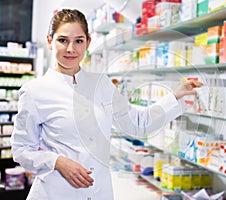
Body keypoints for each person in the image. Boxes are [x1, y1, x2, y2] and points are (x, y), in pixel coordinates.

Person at [10, 9, 202, 200]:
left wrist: (176, 95)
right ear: (50, 41)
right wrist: (57, 162)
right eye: (62, 40)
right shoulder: (35, 91)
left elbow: (137, 122)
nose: (71, 49)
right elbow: (21, 149)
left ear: (88, 43)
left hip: (99, 192)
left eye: (78, 41)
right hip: (56, 192)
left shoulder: (101, 84)